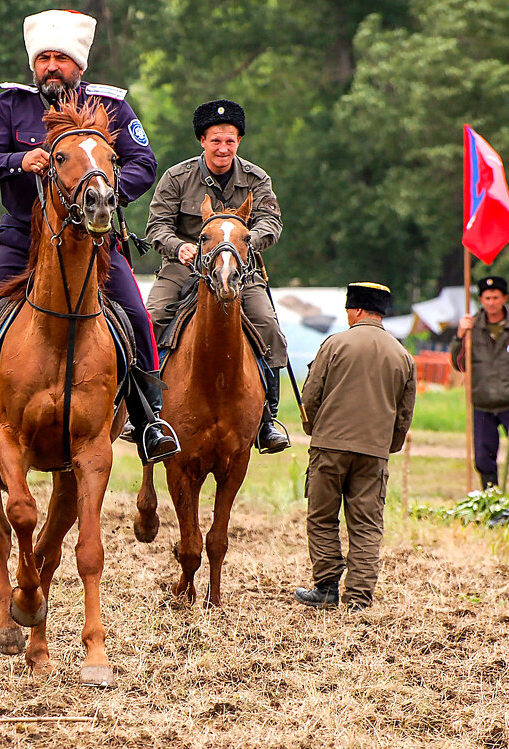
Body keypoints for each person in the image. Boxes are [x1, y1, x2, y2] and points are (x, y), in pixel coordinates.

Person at [0, 9, 179, 464]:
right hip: (23, 238)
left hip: (92, 241)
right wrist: (18, 163)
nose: (50, 67)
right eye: (43, 58)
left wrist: (102, 192)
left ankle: (150, 419)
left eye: (60, 59)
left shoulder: (112, 108)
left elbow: (144, 163)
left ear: (78, 66)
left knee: (137, 315)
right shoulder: (9, 105)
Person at [144, 99, 291, 454]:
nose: (223, 148)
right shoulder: (176, 178)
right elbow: (156, 226)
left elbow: (271, 221)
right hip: (185, 267)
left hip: (239, 268)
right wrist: (179, 247)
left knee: (268, 324)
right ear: (202, 141)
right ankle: (145, 413)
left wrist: (242, 243)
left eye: (230, 141)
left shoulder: (257, 179)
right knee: (150, 318)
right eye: (215, 141)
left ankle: (268, 419)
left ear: (238, 140)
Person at [294, 283, 416, 612]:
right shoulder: (402, 354)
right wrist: (386, 444)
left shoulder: (334, 344)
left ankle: (327, 587)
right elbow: (404, 413)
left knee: (322, 518)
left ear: (357, 310)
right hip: (374, 452)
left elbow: (311, 396)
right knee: (366, 525)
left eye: (349, 309)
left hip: (329, 447)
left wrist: (314, 428)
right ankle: (359, 599)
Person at [449, 275, 509, 489]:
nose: (491, 302)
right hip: (482, 404)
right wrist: (459, 336)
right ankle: (490, 498)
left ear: (505, 298)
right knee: (484, 459)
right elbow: (459, 364)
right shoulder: (472, 327)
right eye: (486, 298)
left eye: (495, 297)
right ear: (481, 300)